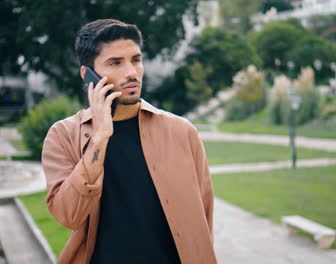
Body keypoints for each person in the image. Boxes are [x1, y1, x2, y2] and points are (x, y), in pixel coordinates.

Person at [42, 19, 217, 264]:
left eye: (136, 59)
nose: (131, 72)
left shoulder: (182, 132)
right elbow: (68, 215)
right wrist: (100, 137)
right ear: (87, 74)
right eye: (115, 63)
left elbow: (204, 217)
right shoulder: (62, 135)